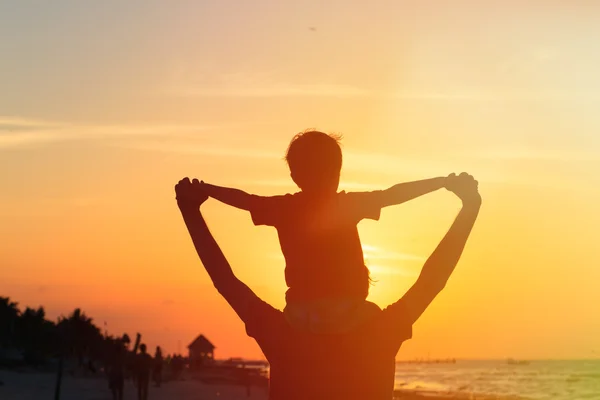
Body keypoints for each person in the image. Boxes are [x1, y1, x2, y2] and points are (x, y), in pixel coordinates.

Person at [175, 172, 481, 400]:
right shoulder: (380, 330)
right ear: (362, 278)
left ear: (293, 277)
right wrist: (469, 208)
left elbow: (224, 280)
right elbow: (434, 278)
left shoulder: (281, 332)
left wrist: (191, 211)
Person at [200, 130, 454, 333]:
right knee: (378, 320)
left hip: (301, 314)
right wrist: (441, 183)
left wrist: (207, 190)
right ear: (337, 172)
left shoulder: (284, 208)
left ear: (294, 175)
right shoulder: (344, 205)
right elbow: (393, 195)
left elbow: (246, 200)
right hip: (349, 311)